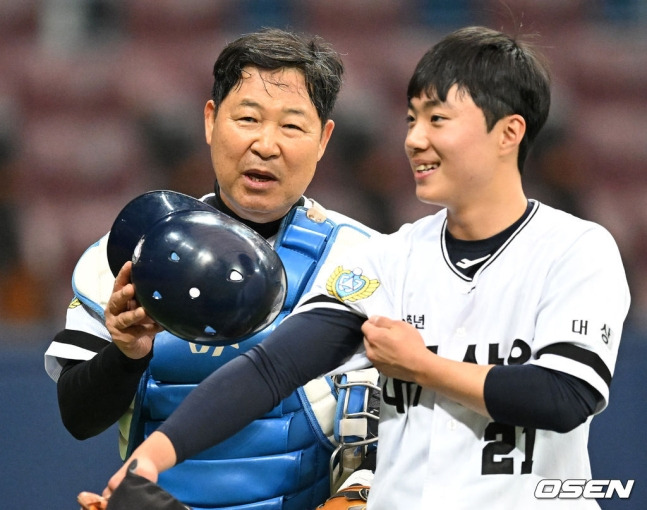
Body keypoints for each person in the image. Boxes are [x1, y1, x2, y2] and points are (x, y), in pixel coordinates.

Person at [102, 25, 631, 509]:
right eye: (411, 119)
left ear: (508, 133)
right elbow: (270, 370)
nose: (414, 139)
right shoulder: (387, 258)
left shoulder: (576, 249)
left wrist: (421, 366)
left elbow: (566, 396)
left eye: (437, 119)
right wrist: (147, 462)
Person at [45, 28, 379, 510]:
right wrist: (128, 352)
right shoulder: (126, 255)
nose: (266, 144)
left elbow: (400, 434)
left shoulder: (366, 264)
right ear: (210, 120)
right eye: (247, 118)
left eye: (291, 126)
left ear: (324, 138)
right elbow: (78, 418)